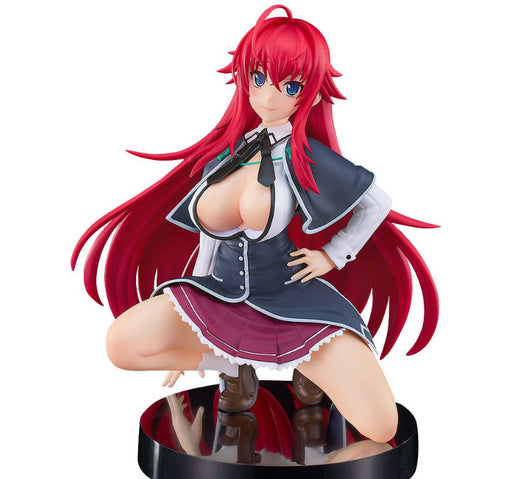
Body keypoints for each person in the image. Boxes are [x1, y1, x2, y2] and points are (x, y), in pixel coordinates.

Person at [72, 5, 438, 445]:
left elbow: (377, 203)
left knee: (381, 428)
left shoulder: (304, 159)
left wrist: (332, 255)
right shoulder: (227, 156)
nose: (268, 97)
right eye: (258, 78)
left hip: (290, 300)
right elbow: (209, 238)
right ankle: (230, 366)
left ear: (311, 96)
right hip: (221, 292)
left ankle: (305, 370)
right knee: (121, 346)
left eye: (291, 85)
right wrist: (194, 320)